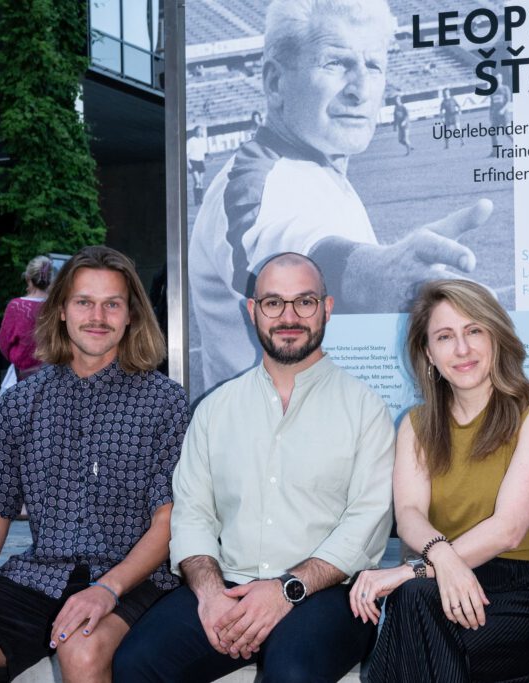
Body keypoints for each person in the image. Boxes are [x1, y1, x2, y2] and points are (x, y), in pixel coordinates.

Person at [0, 246, 190, 683]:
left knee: (81, 647)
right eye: (84, 302)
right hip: (41, 578)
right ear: (61, 311)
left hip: (135, 580)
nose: (97, 316)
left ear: (131, 315)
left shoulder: (165, 402)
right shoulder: (19, 404)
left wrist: (106, 589)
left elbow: (167, 523)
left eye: (112, 304)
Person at [114, 252, 396, 682]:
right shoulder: (215, 410)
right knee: (136, 663)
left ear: (327, 308)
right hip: (229, 585)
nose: (289, 317)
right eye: (273, 303)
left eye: (304, 302)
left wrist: (285, 591)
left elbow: (366, 524)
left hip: (330, 594)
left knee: (291, 674)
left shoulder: (366, 410)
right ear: (253, 311)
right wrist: (210, 594)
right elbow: (193, 513)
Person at [188, 0, 494, 395]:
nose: (361, 90)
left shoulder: (321, 169)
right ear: (276, 82)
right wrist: (375, 275)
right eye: (336, 63)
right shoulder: (256, 181)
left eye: (374, 66)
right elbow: (281, 259)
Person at [352, 279, 529, 682]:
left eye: (474, 331)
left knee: (410, 604)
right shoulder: (417, 425)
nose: (462, 349)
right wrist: (442, 560)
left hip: (527, 594)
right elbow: (409, 513)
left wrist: (414, 570)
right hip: (437, 584)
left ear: (496, 337)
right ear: (428, 353)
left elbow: (509, 529)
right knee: (416, 604)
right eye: (444, 336)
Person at [0, 254, 52, 385]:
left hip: (22, 377)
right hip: (53, 378)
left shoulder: (17, 306)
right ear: (50, 278)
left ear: (28, 277)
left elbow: (4, 343)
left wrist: (20, 360)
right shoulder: (58, 306)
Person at [488, 72, 512, 156]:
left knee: (508, 132)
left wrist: (503, 110)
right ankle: (495, 152)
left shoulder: (505, 88)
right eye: (496, 78)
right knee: (492, 132)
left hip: (504, 114)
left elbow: (508, 101)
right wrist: (490, 115)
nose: (497, 80)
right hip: (496, 115)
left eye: (499, 78)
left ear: (501, 79)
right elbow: (491, 104)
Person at [187, 126, 208, 204]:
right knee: (197, 181)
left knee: (201, 182)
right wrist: (188, 163)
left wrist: (205, 159)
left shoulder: (203, 140)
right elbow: (186, 153)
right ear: (195, 132)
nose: (199, 132)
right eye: (198, 131)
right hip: (193, 162)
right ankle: (196, 200)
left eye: (201, 130)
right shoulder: (190, 141)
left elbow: (204, 152)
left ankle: (200, 199)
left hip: (200, 162)